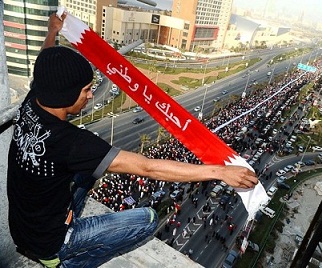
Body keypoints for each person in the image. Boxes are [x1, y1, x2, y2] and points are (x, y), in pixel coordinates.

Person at [6, 12, 258, 268]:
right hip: (50, 242)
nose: (91, 96)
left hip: (23, 229)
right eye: (86, 90)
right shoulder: (72, 143)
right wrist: (220, 171)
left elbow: (45, 63)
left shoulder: (33, 102)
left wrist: (53, 32)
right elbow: (146, 167)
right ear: (66, 94)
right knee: (148, 220)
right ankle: (66, 263)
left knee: (92, 170)